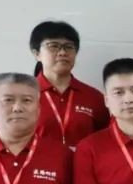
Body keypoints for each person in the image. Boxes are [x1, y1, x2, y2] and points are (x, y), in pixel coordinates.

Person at [29, 20, 109, 149]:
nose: (62, 52)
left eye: (69, 47)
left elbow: (105, 141)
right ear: (37, 53)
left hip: (83, 162)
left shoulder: (94, 97)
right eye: (53, 46)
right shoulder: (24, 95)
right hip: (36, 162)